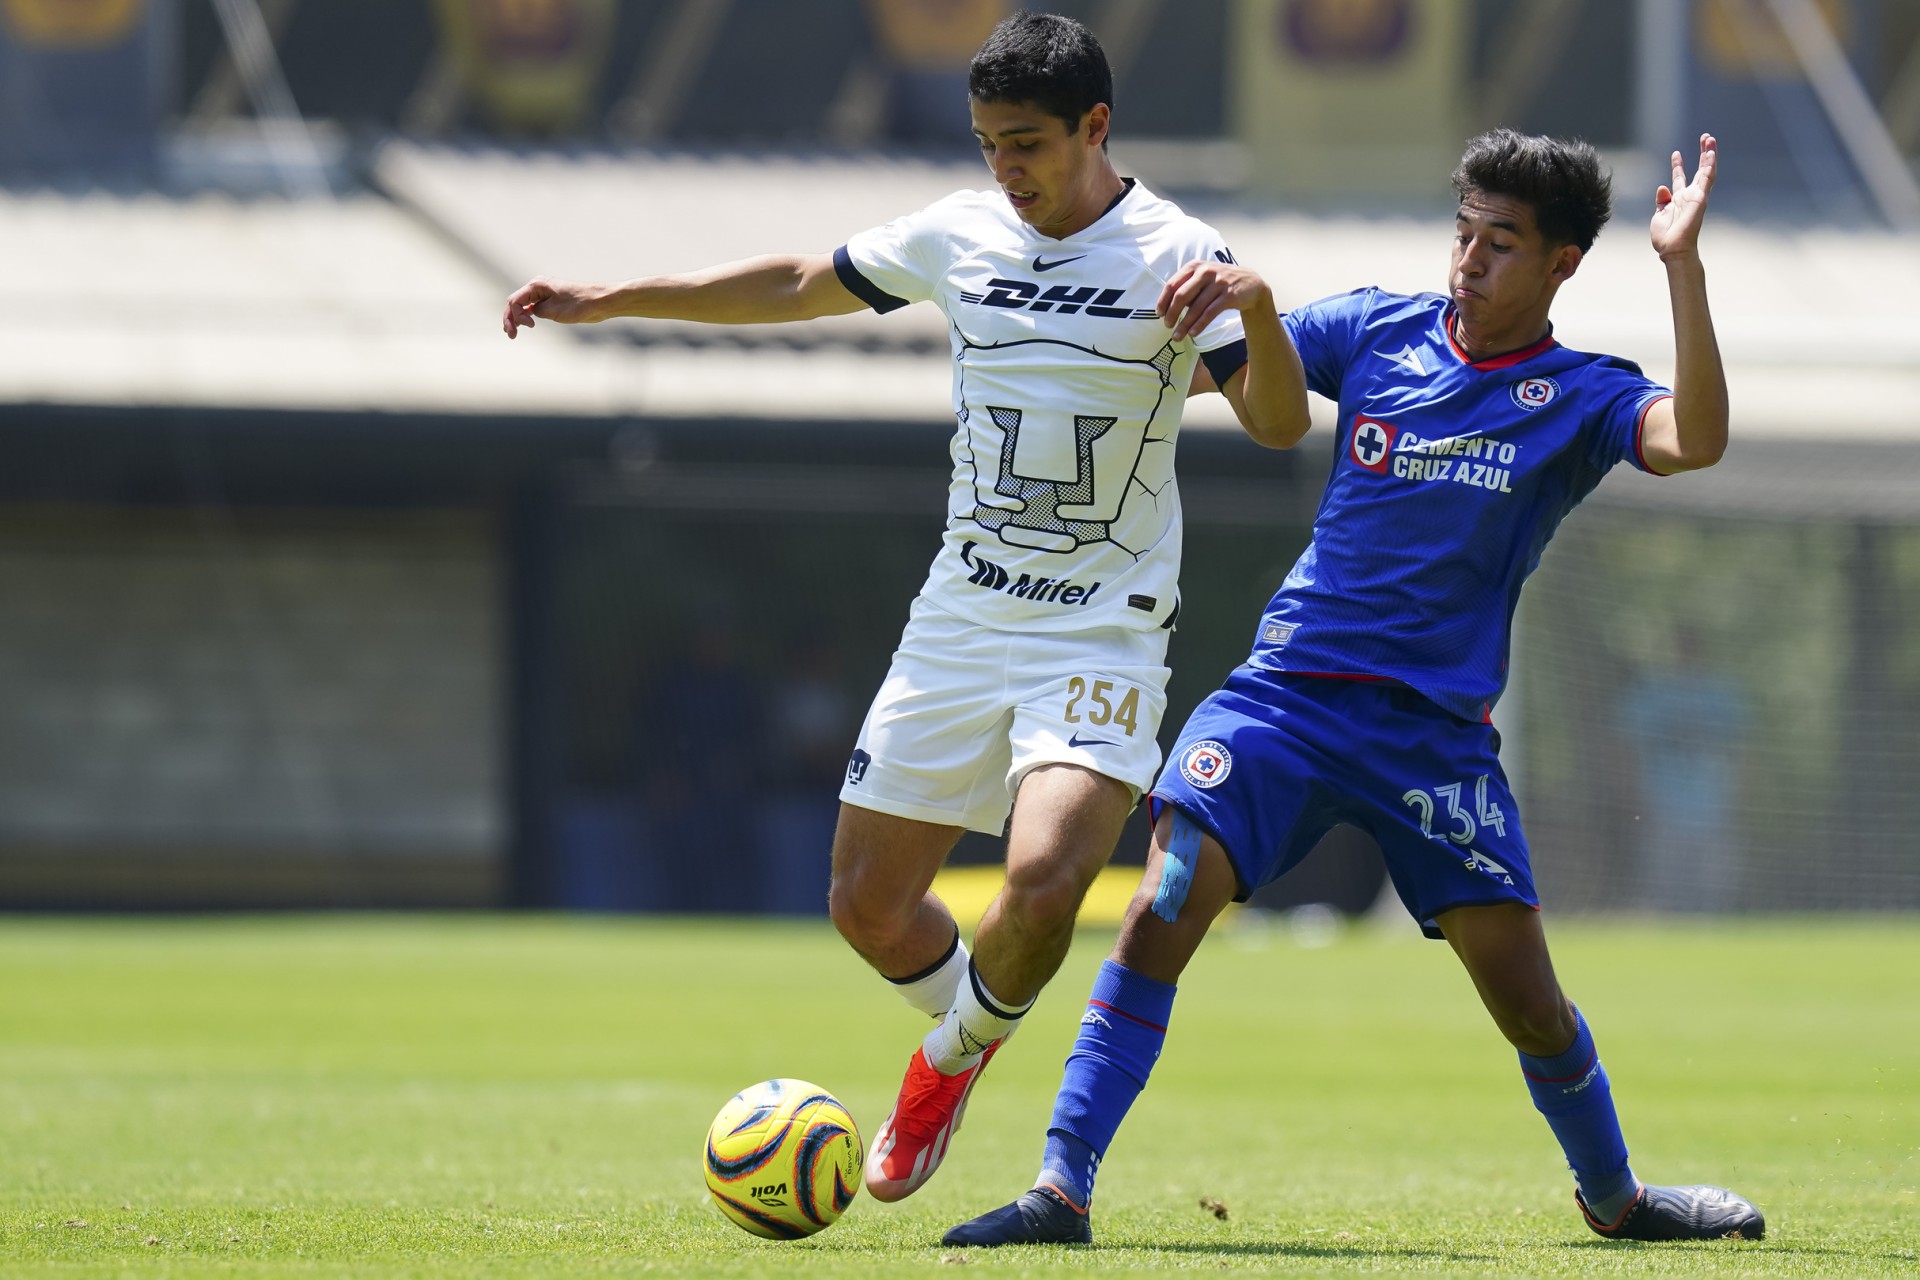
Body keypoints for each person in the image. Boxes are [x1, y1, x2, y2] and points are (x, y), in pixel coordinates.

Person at [501, 12, 1308, 1203]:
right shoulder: (960, 231)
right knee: (866, 904)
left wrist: (1262, 308)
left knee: (1045, 879)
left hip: (1102, 624)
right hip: (962, 617)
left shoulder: (1176, 252)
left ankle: (947, 1060)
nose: (1006, 168)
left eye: (1027, 143)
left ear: (1095, 125)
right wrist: (613, 296)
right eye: (989, 144)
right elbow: (798, 282)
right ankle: (977, 1020)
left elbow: (1280, 425)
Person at [945, 130, 1767, 1247]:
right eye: (1464, 233)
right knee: (1161, 904)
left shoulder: (1581, 394)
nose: (1470, 260)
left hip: (1433, 740)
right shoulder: (1377, 328)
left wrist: (1682, 265)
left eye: (1502, 243)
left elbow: (1698, 440)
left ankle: (1618, 1198)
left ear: (1563, 262)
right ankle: (1061, 1188)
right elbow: (1223, 377)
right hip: (1282, 702)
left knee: (1529, 1003)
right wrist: (1225, 310)